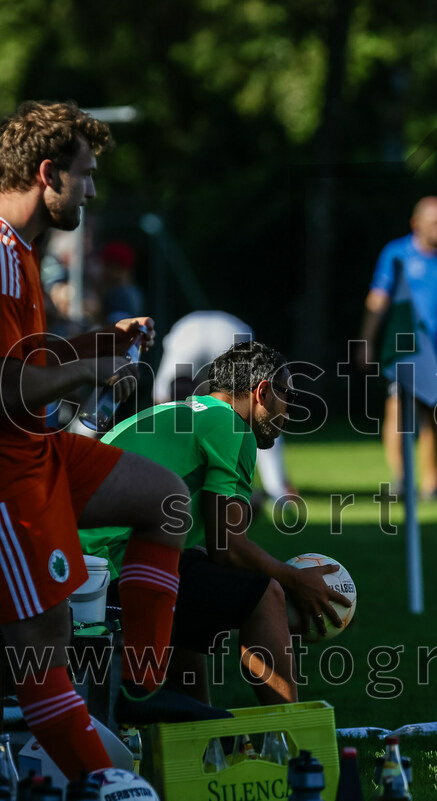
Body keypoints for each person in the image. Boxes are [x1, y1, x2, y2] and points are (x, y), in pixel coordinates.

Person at [0, 100, 225, 780]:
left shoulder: (19, 252)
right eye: (87, 176)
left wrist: (101, 342)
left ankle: (141, 683)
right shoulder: (1, 256)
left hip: (37, 452)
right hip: (8, 474)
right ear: (48, 174)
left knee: (164, 496)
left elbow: (29, 366)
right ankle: (105, 784)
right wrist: (91, 367)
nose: (93, 191)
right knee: (46, 649)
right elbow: (6, 388)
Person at [80, 340, 351, 706]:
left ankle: (203, 740)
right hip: (111, 572)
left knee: (191, 596)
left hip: (79, 569)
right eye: (287, 395)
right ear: (262, 392)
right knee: (264, 594)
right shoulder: (230, 424)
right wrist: (295, 582)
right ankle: (294, 739)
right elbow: (229, 548)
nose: (289, 412)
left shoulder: (170, 413)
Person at [360, 197, 437, 498]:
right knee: (397, 412)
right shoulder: (396, 253)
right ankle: (401, 479)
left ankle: (433, 482)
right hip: (404, 350)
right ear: (417, 223)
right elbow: (378, 298)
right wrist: (367, 342)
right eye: (436, 221)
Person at [152, 310, 299, 510]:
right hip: (230, 331)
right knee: (258, 412)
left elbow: (163, 408)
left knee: (173, 417)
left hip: (191, 334)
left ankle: (178, 481)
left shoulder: (174, 382)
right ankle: (279, 491)